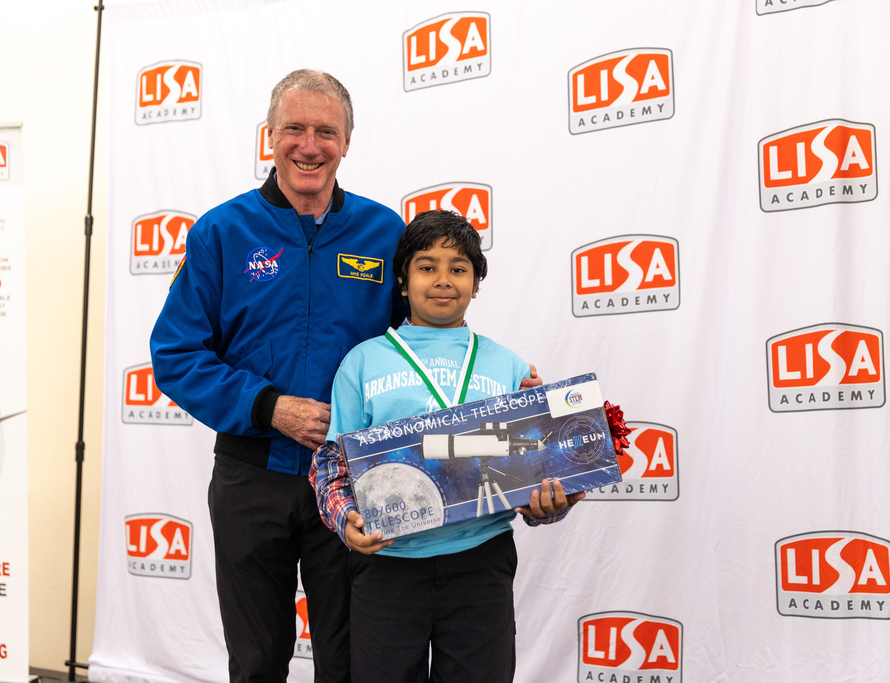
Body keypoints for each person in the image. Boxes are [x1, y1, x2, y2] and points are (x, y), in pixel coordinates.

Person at [150, 69, 409, 683]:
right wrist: (268, 407)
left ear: (348, 142)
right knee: (258, 660)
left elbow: (421, 349)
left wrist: (496, 386)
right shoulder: (220, 232)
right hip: (250, 482)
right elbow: (176, 354)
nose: (309, 145)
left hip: (348, 479)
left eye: (326, 131)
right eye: (294, 128)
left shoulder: (384, 235)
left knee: (347, 662)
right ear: (269, 136)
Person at [310, 210, 585, 683]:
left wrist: (551, 504)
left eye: (458, 268)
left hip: (480, 561)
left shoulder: (508, 365)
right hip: (388, 563)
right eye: (426, 266)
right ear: (402, 280)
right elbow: (332, 463)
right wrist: (343, 520)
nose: (443, 280)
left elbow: (531, 471)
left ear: (476, 284)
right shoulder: (363, 362)